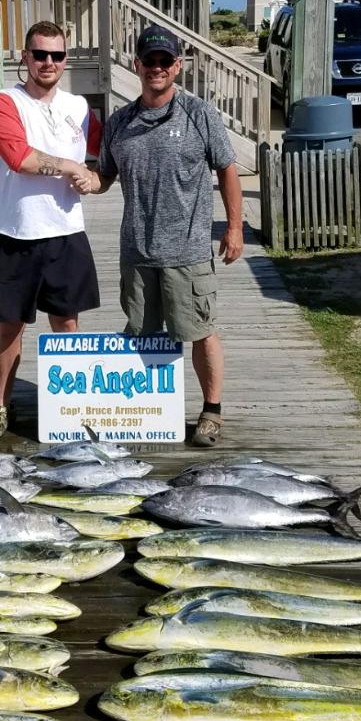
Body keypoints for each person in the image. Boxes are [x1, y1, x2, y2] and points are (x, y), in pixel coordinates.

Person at [77, 22, 244, 448]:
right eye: (149, 61)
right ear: (136, 65)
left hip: (188, 252)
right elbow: (103, 178)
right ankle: (148, 414)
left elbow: (227, 169)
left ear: (177, 66)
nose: (156, 68)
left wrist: (235, 227)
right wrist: (78, 178)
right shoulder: (119, 122)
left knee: (201, 331)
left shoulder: (199, 114)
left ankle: (211, 411)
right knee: (142, 336)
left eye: (164, 61)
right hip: (136, 253)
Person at [0, 20, 101, 439]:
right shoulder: (1, 102)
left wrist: (96, 179)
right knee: (10, 326)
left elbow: (101, 161)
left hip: (66, 233)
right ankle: (0, 407)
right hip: (15, 234)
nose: (48, 62)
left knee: (67, 324)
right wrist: (69, 167)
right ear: (24, 57)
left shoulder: (80, 109)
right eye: (39, 54)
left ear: (66, 61)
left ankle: (70, 410)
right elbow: (19, 158)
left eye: (57, 55)